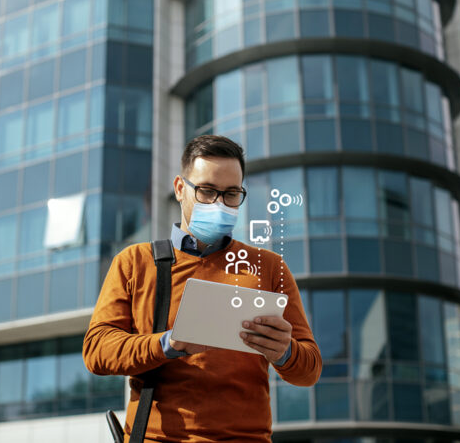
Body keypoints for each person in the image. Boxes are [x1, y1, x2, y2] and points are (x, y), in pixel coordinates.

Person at [83, 135, 322, 442]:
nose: (219, 203)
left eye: (231, 194)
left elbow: (310, 370)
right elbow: (97, 351)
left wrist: (285, 352)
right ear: (181, 189)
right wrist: (168, 345)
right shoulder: (135, 262)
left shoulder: (269, 267)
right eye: (207, 191)